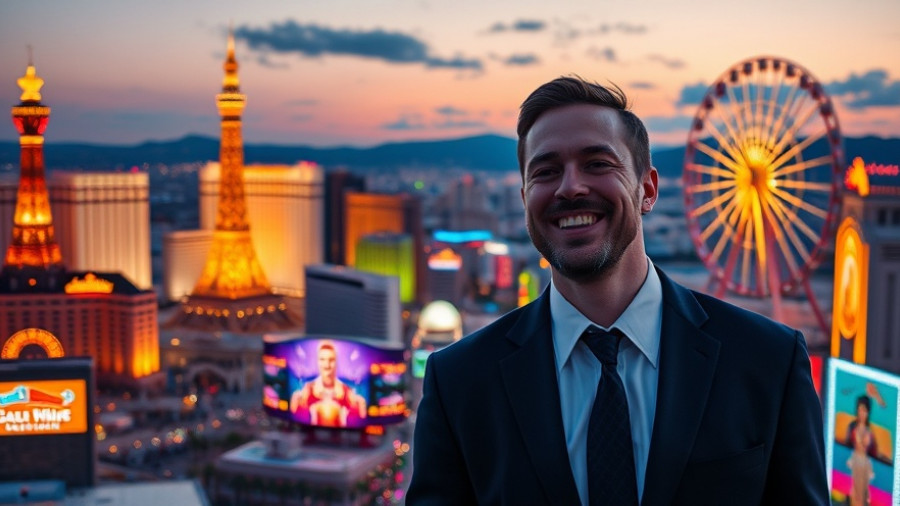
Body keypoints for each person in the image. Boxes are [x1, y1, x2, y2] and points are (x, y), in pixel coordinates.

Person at [406, 76, 828, 505]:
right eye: (546, 172)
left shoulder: (768, 363)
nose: (570, 187)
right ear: (524, 198)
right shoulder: (459, 384)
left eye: (597, 163)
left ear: (647, 188)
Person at [290, 340, 366, 427]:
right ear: (318, 362)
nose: (327, 365)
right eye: (322, 360)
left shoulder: (348, 392)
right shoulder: (306, 390)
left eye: (331, 360)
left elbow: (361, 424)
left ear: (336, 362)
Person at [846, 395, 876, 506]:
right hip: (854, 461)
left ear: (868, 412)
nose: (861, 413)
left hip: (865, 465)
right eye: (859, 409)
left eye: (864, 410)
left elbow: (873, 453)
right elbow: (847, 445)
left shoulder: (870, 432)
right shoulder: (852, 427)